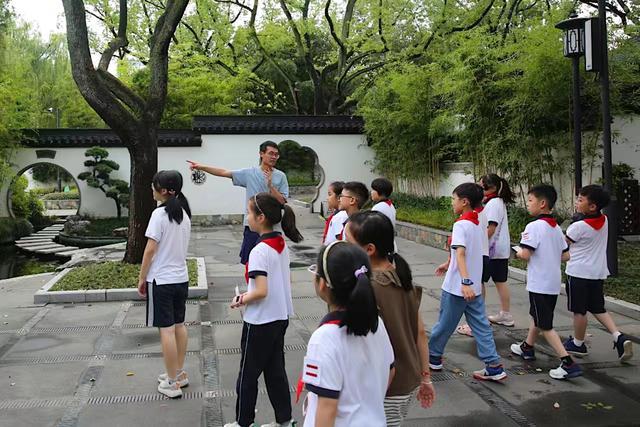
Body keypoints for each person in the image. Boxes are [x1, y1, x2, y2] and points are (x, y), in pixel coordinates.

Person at [345, 211, 435, 426]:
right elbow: (420, 333)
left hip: (385, 386)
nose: (343, 246)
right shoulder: (402, 277)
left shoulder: (369, 287)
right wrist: (426, 377)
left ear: (369, 249)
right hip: (407, 381)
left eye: (347, 242)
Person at [224, 193, 303, 427]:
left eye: (249, 212)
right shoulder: (280, 244)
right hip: (279, 317)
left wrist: (241, 298)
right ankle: (285, 421)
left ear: (260, 217)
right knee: (275, 372)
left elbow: (260, 291)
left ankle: (243, 422)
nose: (247, 217)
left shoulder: (259, 251)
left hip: (259, 321)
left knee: (247, 376)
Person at [301, 241, 395, 427]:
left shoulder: (324, 339)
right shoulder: (376, 324)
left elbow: (327, 409)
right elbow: (391, 371)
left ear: (322, 284)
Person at [429, 183, 507, 382]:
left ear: (464, 202)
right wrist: (449, 263)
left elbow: (462, 253)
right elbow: (467, 253)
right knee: (481, 327)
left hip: (458, 287)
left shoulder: (461, 224)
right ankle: (494, 366)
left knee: (444, 325)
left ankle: (432, 357)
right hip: (473, 288)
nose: (452, 202)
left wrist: (464, 281)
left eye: (454, 199)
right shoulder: (478, 223)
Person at [511, 184, 582, 380]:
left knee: (545, 325)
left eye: (531, 200)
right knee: (538, 315)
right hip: (552, 283)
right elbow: (566, 256)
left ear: (542, 204)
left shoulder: (533, 227)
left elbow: (525, 254)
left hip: (538, 283)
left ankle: (568, 363)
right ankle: (527, 347)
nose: (528, 204)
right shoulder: (557, 229)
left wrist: (515, 251)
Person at [187, 141, 289, 265]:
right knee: (250, 263)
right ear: (261, 154)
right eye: (271, 153)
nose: (274, 157)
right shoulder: (249, 173)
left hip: (273, 227)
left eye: (276, 155)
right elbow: (224, 172)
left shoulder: (281, 176)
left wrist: (270, 186)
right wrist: (201, 167)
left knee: (273, 263)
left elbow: (283, 201)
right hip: (253, 227)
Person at [137, 170, 192, 399]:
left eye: (154, 186)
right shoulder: (185, 214)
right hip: (181, 279)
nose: (152, 190)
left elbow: (150, 249)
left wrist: (142, 278)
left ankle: (171, 383)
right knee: (179, 326)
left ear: (162, 191)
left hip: (162, 281)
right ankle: (178, 374)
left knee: (167, 331)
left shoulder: (159, 215)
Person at [563, 185, 633, 362]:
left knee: (579, 311)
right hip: (597, 273)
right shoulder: (605, 220)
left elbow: (563, 246)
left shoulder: (577, 227)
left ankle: (578, 344)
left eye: (580, 200)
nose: (577, 203)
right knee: (597, 307)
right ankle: (618, 336)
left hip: (578, 273)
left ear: (592, 206)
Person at [481, 174, 517, 327]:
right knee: (500, 281)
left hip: (492, 250)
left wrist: (478, 241)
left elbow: (491, 228)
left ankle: (479, 317)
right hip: (498, 250)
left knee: (480, 281)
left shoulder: (493, 203)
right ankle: (505, 314)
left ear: (492, 188)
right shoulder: (496, 201)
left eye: (481, 186)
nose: (479, 189)